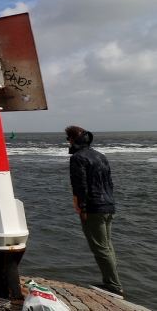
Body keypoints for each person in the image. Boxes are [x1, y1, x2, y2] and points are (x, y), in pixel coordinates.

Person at [65, 125, 123, 297]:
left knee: (101, 248)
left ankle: (113, 286)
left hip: (94, 208)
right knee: (107, 246)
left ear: (72, 139)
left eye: (68, 139)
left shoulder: (77, 157)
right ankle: (112, 283)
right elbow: (110, 183)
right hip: (108, 205)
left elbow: (80, 185)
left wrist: (82, 208)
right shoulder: (100, 156)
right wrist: (110, 202)